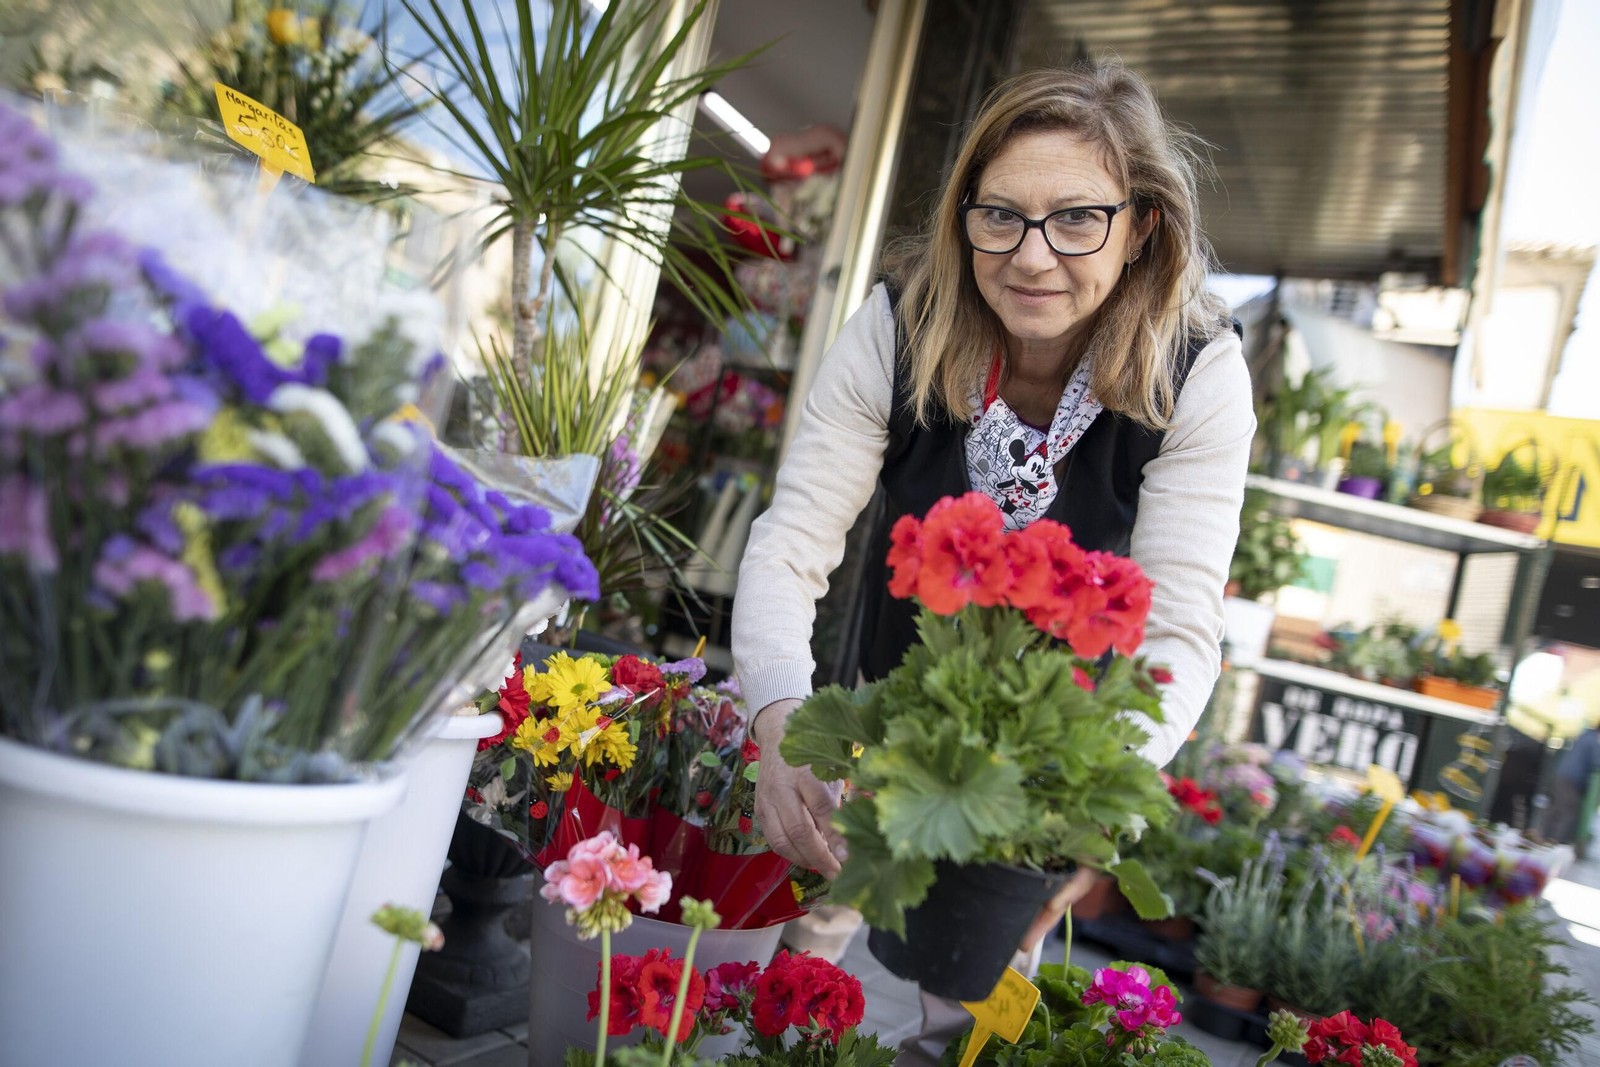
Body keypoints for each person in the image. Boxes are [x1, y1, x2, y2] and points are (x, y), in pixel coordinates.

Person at [730, 63, 1254, 1063]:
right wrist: (776, 718)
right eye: (999, 217)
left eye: (1076, 221)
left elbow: (1182, 626)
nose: (1031, 257)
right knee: (793, 985)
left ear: (1140, 223)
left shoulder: (1199, 369)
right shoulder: (901, 319)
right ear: (963, 213)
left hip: (1043, 758)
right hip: (871, 739)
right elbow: (791, 540)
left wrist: (1079, 799)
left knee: (963, 1022)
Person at [1547, 721, 1599, 855]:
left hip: (1562, 775)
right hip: (1572, 779)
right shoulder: (1592, 741)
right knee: (1568, 811)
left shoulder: (1584, 735)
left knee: (1557, 808)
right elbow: (1597, 762)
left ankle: (1546, 839)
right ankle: (1557, 845)